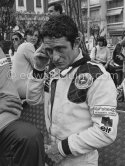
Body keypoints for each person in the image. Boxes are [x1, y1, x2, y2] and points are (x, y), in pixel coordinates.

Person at [26, 15, 118, 166]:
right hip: (54, 155)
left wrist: (61, 149)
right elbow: (33, 100)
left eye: (60, 49)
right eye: (49, 50)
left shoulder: (98, 77)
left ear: (76, 42)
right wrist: (38, 68)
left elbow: (106, 130)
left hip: (80, 160)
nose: (55, 57)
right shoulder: (55, 73)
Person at [0, 47, 45, 166]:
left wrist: (39, 69)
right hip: (23, 94)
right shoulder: (26, 46)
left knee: (29, 136)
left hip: (8, 118)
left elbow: (33, 99)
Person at [11, 26, 41, 99]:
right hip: (24, 89)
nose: (33, 38)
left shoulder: (23, 46)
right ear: (25, 36)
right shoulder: (28, 45)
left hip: (15, 88)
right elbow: (38, 67)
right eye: (31, 35)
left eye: (36, 35)